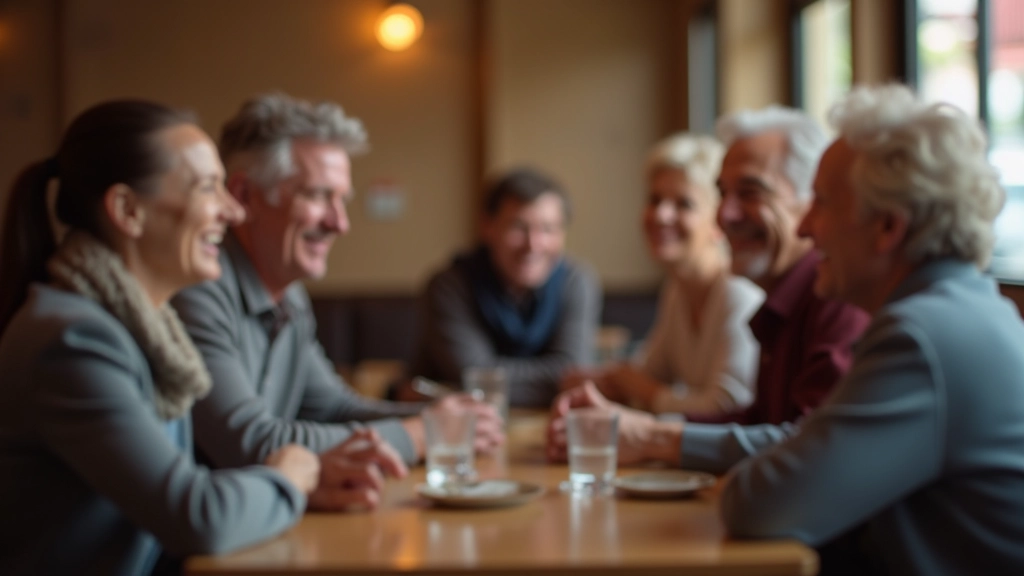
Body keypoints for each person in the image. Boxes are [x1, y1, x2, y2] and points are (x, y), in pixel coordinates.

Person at [0, 100, 324, 575]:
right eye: (208, 189)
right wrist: (288, 481)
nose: (232, 211)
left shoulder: (140, 330)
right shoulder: (73, 341)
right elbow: (197, 517)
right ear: (128, 211)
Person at [719, 84, 1024, 574]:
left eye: (821, 203)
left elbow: (760, 505)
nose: (804, 229)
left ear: (888, 227)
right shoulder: (967, 309)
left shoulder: (920, 337)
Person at [171, 93, 503, 470]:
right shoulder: (198, 291)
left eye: (342, 200)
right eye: (318, 195)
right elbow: (250, 442)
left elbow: (333, 408)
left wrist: (442, 414)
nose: (339, 224)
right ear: (244, 196)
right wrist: (423, 433)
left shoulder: (288, 296)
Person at [547, 106, 870, 470]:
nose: (725, 214)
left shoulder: (836, 297)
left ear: (811, 204)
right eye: (721, 194)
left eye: (750, 192)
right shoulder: (779, 298)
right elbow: (758, 422)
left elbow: (809, 451)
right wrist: (634, 425)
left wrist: (649, 434)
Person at [561, 134, 763, 418]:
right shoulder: (678, 289)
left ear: (719, 221)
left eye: (684, 204)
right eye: (654, 200)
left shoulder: (739, 293)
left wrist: (640, 389)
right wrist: (604, 382)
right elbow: (650, 373)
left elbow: (726, 408)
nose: (660, 215)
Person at [410, 167, 602, 407]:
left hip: (550, 429)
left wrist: (486, 381)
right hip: (459, 434)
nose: (534, 244)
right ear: (488, 227)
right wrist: (555, 381)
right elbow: (471, 375)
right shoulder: (449, 286)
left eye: (548, 229)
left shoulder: (576, 281)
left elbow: (574, 370)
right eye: (518, 227)